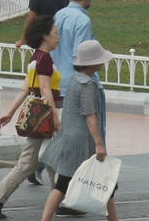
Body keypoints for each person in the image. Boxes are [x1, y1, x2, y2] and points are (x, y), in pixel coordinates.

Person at [0, 15, 62, 220]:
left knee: (42, 159)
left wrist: (10, 112)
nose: (58, 36)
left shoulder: (35, 58)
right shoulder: (44, 59)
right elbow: (45, 87)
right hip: (45, 115)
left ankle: (61, 200)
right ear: (45, 35)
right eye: (55, 32)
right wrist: (55, 114)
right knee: (40, 159)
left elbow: (24, 89)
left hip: (37, 115)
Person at [38, 40, 118, 221]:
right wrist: (99, 143)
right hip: (83, 141)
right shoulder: (88, 85)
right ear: (92, 63)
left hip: (70, 137)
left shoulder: (74, 79)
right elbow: (90, 116)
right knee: (105, 183)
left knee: (64, 184)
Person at [52, 0, 95, 96]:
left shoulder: (59, 14)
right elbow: (80, 57)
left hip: (54, 81)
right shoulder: (83, 20)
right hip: (72, 86)